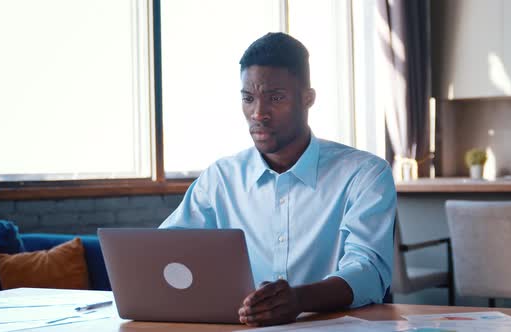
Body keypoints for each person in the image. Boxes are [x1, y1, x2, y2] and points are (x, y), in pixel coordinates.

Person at [159, 32, 396, 327]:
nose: (259, 113)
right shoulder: (221, 178)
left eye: (276, 98)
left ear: (307, 99)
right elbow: (165, 249)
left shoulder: (365, 174)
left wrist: (299, 300)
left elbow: (369, 271)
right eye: (248, 98)